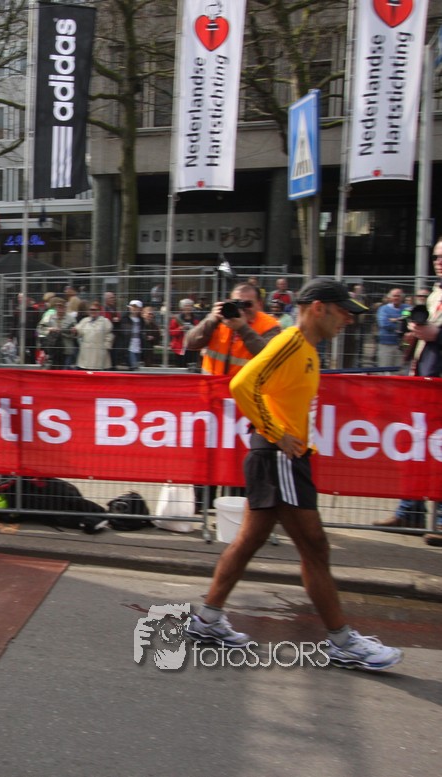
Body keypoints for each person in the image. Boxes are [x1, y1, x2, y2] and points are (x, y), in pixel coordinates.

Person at [185, 278, 403, 671]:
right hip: (279, 458)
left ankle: (207, 620)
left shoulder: (306, 349)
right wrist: (276, 432)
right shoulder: (290, 342)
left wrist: (282, 434)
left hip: (280, 457)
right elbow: (242, 384)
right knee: (315, 547)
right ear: (319, 308)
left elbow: (270, 394)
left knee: (248, 542)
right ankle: (343, 642)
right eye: (344, 312)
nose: (349, 320)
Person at [379, 243, 442, 543]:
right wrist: (413, 336)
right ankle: (410, 511)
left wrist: (437, 335)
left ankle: (440, 521)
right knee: (416, 446)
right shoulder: (435, 293)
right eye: (436, 256)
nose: (439, 261)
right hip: (422, 381)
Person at [184, 282, 282, 377]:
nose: (242, 309)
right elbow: (190, 343)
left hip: (243, 387)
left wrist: (243, 328)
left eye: (247, 304)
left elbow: (270, 358)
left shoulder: (270, 326)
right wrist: (211, 320)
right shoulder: (220, 318)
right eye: (237, 303)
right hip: (212, 385)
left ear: (259, 304)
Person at [374, 288, 408, 372]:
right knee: (384, 369)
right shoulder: (383, 309)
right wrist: (401, 323)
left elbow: (409, 322)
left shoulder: (407, 308)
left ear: (402, 297)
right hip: (386, 344)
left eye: (398, 296)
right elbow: (384, 324)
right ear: (389, 297)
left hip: (403, 345)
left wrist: (394, 320)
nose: (396, 298)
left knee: (400, 371)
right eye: (394, 296)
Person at [74, 301, 113, 370]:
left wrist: (105, 347)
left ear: (99, 311)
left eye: (95, 310)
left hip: (99, 354)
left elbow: (109, 336)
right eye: (91, 309)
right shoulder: (85, 320)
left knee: (98, 371)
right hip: (86, 353)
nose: (93, 311)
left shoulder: (105, 321)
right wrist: (75, 331)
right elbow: (79, 330)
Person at [113, 300, 148, 370]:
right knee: (133, 366)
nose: (134, 309)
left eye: (136, 307)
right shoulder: (124, 319)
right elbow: (118, 332)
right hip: (128, 347)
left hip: (138, 347)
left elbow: (142, 334)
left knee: (136, 367)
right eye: (132, 307)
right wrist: (115, 323)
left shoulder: (141, 321)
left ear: (140, 309)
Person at [168, 298, 201, 370]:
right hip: (180, 348)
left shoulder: (196, 319)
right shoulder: (176, 319)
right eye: (186, 306)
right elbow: (171, 332)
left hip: (192, 347)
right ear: (182, 307)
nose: (188, 308)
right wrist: (180, 329)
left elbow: (199, 331)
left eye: (190, 306)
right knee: (180, 367)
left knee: (192, 366)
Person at [37, 295, 68, 369]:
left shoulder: (69, 318)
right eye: (58, 306)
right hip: (52, 346)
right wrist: (49, 329)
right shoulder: (50, 315)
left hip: (63, 348)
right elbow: (40, 328)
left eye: (62, 306)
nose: (60, 308)